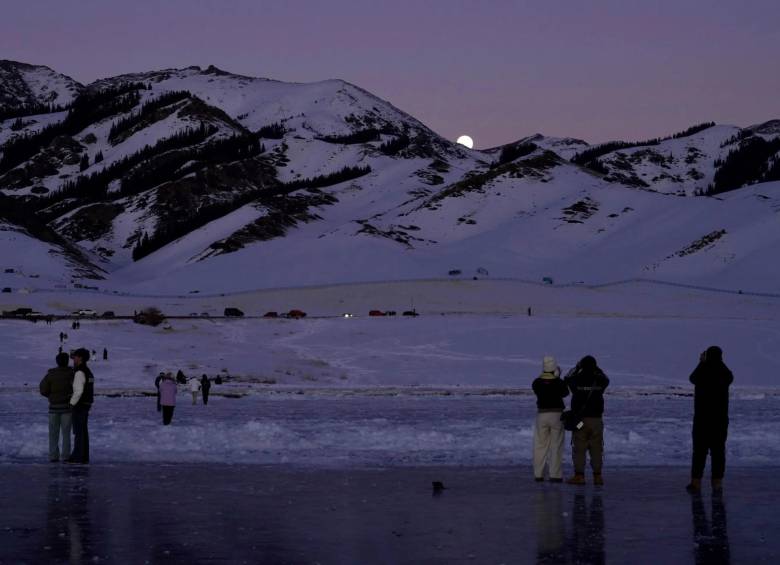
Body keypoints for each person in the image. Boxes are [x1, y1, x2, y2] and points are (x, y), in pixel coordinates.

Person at [687, 346, 734, 493]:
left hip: (702, 419)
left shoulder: (703, 371)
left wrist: (702, 362)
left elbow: (692, 378)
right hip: (720, 420)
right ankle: (717, 483)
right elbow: (729, 376)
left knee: (699, 452)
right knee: (718, 452)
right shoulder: (725, 373)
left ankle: (696, 483)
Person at [564, 355, 609, 486]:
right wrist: (597, 369)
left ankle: (579, 476)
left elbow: (567, 378)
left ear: (582, 366)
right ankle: (597, 476)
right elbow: (607, 379)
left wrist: (577, 367)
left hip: (580, 420)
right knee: (596, 448)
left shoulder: (576, 379)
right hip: (596, 420)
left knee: (579, 447)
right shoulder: (599, 380)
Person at [532, 356, 569, 482]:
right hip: (557, 415)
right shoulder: (559, 382)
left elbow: (538, 387)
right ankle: (555, 474)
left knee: (540, 445)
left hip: (541, 415)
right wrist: (557, 377)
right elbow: (565, 393)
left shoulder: (537, 382)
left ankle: (538, 474)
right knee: (556, 445)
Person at [39, 352, 74, 462]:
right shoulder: (71, 373)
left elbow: (43, 389)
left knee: (53, 434)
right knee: (66, 434)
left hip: (53, 408)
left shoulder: (51, 374)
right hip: (67, 408)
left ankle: (53, 456)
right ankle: (65, 456)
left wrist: (51, 396)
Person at [66, 348, 94, 464]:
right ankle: (83, 456)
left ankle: (77, 457)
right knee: (83, 432)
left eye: (76, 356)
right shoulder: (88, 371)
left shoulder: (79, 372)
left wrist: (71, 404)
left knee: (78, 432)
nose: (73, 359)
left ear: (80, 358)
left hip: (80, 405)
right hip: (86, 404)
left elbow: (78, 391)